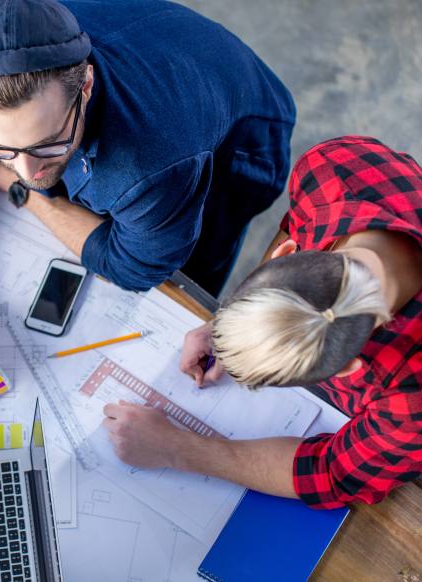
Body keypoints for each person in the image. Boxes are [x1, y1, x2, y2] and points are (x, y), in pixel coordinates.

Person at [0, 0, 295, 378]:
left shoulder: (153, 161)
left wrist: (31, 198)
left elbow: (136, 268)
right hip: (147, 46)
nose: (24, 170)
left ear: (85, 85)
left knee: (192, 275)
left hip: (239, 136)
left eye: (47, 143)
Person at [105, 136, 422, 508]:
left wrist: (176, 449)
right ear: (285, 254)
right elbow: (295, 224)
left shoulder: (411, 406)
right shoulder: (333, 168)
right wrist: (225, 324)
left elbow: (332, 474)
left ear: (347, 370)